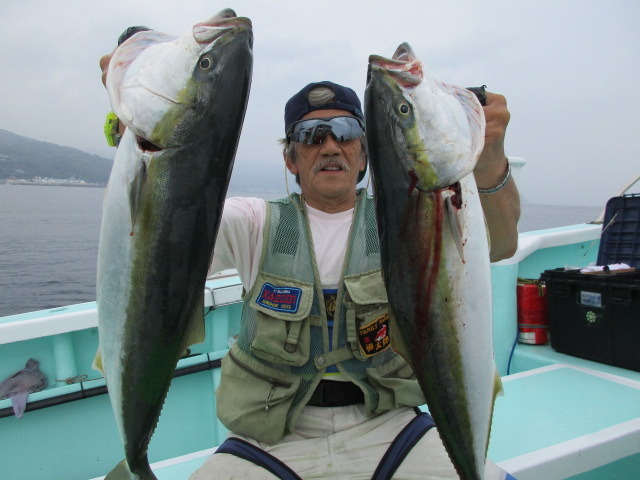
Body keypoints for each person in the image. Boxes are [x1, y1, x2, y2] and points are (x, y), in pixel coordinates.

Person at [101, 29, 519, 480]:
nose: (330, 145)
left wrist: (490, 158)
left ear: (365, 155)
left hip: (390, 424)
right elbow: (160, 230)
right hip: (272, 436)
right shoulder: (253, 222)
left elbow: (501, 243)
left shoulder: (407, 224)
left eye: (346, 131)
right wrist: (134, 115)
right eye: (311, 135)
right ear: (291, 159)